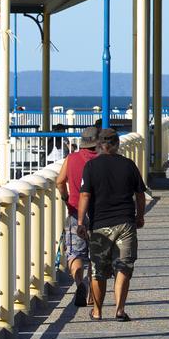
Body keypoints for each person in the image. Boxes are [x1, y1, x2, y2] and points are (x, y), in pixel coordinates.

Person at [76, 129, 146, 322]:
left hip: (100, 225)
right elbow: (140, 194)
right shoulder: (128, 165)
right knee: (123, 266)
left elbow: (84, 195)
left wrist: (81, 222)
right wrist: (139, 217)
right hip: (125, 222)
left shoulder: (91, 166)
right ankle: (119, 310)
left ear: (99, 145)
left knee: (98, 270)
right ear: (117, 144)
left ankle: (97, 311)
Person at [55, 126, 101, 308]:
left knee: (76, 253)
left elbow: (59, 181)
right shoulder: (101, 159)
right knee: (95, 255)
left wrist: (66, 198)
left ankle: (79, 283)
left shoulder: (71, 158)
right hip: (99, 212)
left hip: (75, 210)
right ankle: (91, 292)